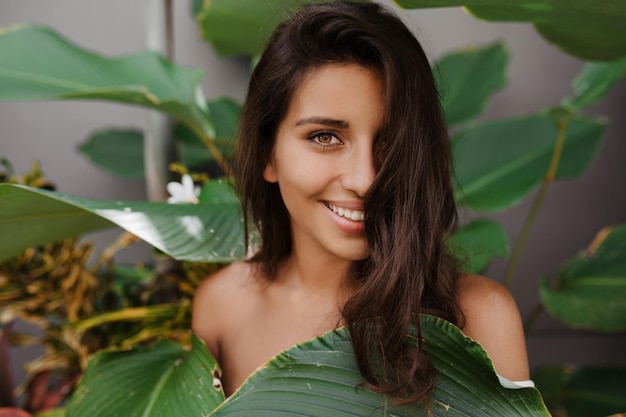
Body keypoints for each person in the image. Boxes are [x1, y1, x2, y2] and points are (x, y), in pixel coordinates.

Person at [192, 0, 531, 407]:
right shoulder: (222, 308)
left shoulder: (480, 317)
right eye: (325, 137)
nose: (366, 180)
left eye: (391, 142)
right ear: (268, 154)